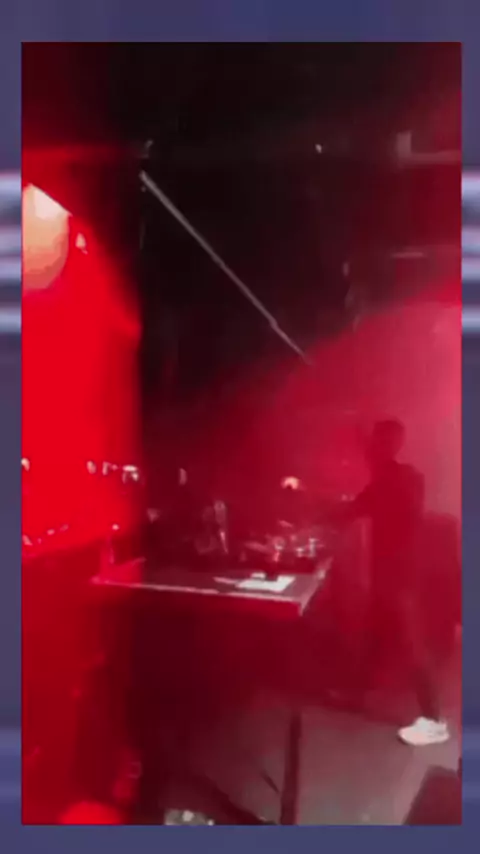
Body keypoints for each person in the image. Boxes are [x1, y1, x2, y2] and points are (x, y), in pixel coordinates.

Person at [349, 419, 450, 747]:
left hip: (401, 576)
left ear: (388, 445)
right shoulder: (391, 477)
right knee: (373, 631)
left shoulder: (398, 478)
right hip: (391, 574)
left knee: (412, 645)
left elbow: (354, 509)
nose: (369, 452)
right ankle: (358, 690)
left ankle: (434, 720)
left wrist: (309, 507)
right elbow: (355, 507)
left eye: (376, 444)